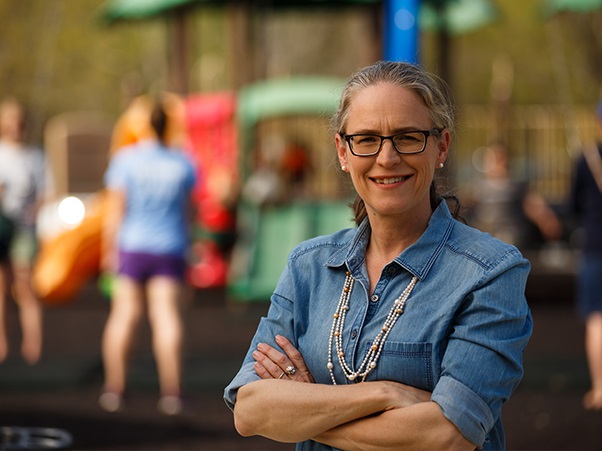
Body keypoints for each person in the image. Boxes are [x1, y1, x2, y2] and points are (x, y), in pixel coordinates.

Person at [224, 61, 533, 450]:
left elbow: (448, 435)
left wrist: (301, 413)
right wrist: (385, 394)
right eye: (367, 139)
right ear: (342, 150)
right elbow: (249, 410)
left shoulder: (490, 272)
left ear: (441, 146)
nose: (387, 158)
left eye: (407, 137)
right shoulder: (308, 266)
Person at [99, 97, 196, 415]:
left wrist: (107, 252)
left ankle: (114, 389)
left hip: (132, 246)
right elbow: (189, 212)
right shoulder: (183, 162)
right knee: (166, 316)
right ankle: (172, 393)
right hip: (170, 247)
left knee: (124, 316)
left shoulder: (126, 160)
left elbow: (115, 212)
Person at [0, 98, 53, 364]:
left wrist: (34, 212)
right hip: (2, 226)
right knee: (1, 285)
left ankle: (33, 345)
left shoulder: (36, 155)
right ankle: (3, 344)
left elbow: (46, 191)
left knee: (25, 283)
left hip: (24, 227)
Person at [468, 141, 562, 250]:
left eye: (499, 159)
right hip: (485, 243)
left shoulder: (516, 188)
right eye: (492, 159)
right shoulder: (478, 189)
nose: (496, 164)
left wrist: (547, 220)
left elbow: (536, 207)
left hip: (511, 242)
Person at [570, 100, 602, 411]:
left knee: (596, 318)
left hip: (595, 243)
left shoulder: (587, 158)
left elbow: (573, 204)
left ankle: (599, 387)